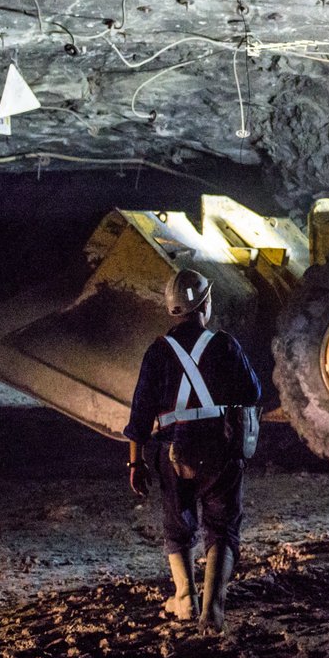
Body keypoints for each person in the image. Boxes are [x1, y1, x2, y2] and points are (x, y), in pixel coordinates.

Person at [124, 268, 261, 633]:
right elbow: (253, 393)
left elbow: (139, 417)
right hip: (220, 453)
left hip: (173, 454)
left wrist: (135, 463)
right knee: (222, 528)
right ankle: (212, 610)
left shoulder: (157, 352)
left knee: (177, 526)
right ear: (205, 304)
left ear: (173, 310)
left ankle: (185, 599)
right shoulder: (225, 345)